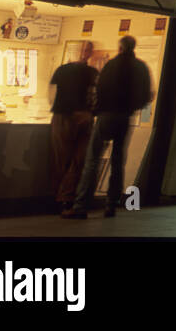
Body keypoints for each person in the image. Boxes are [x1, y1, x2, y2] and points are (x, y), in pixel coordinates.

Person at [62, 35, 153, 219]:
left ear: (120, 48)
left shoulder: (111, 66)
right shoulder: (141, 67)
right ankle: (111, 205)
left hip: (106, 115)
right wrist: (132, 107)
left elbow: (99, 89)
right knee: (118, 161)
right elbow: (147, 94)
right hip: (125, 117)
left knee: (92, 160)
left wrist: (95, 112)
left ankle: (80, 206)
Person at [48, 41, 97, 212]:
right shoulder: (92, 73)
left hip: (63, 116)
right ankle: (66, 197)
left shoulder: (62, 70)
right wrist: (89, 113)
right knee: (78, 160)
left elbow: (51, 94)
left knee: (62, 158)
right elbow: (95, 95)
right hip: (83, 118)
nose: (85, 52)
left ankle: (59, 197)